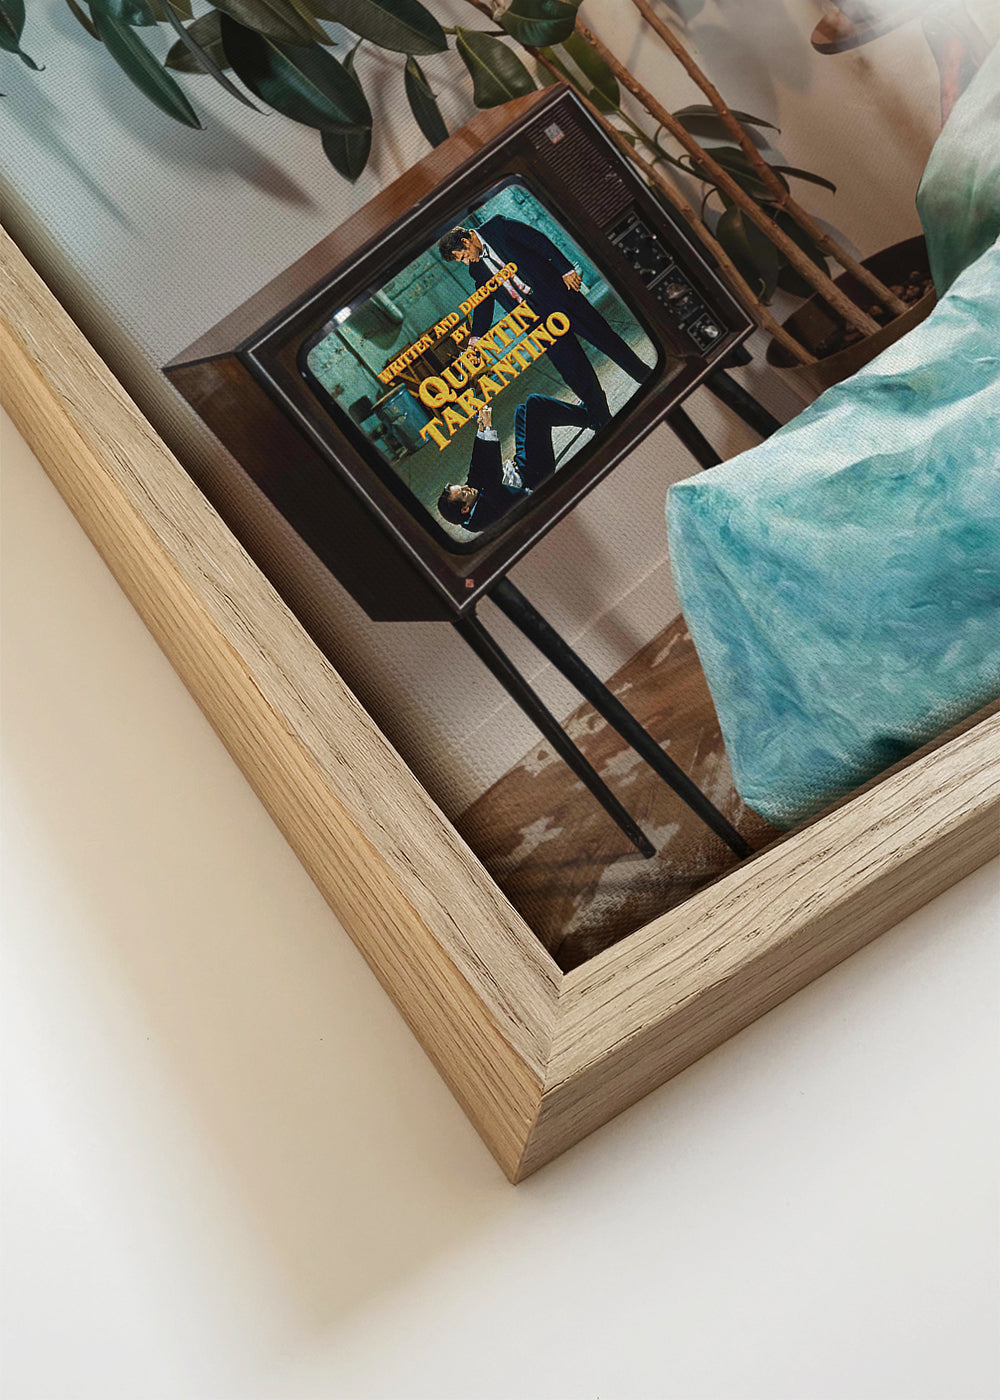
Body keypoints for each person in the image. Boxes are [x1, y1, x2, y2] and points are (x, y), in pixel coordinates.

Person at [438, 218, 652, 428]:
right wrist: (475, 340)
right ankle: (601, 416)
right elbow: (484, 302)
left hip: (559, 296)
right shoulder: (476, 270)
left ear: (466, 241)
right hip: (536, 320)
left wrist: (566, 270)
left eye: (463, 256)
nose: (467, 262)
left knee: (604, 337)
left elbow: (538, 241)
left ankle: (644, 376)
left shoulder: (497, 227)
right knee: (571, 367)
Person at [438, 397, 591, 533]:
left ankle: (580, 414)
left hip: (520, 465)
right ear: (465, 509)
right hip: (535, 476)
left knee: (522, 411)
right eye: (464, 492)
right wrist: (487, 425)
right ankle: (591, 417)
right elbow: (493, 474)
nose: (467, 487)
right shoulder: (484, 516)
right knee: (536, 404)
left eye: (462, 487)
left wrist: (482, 428)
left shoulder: (468, 502)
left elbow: (475, 469)